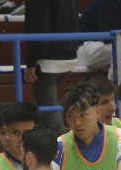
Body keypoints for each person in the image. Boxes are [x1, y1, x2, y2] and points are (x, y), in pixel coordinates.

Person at [24, 0, 78, 136]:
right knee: (49, 110)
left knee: (49, 111)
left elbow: (39, 25)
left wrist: (32, 60)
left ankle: (59, 149)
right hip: (69, 51)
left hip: (48, 57)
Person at [76, 0, 121, 73]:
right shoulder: (108, 2)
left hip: (106, 47)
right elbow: (110, 38)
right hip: (84, 47)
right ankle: (115, 83)